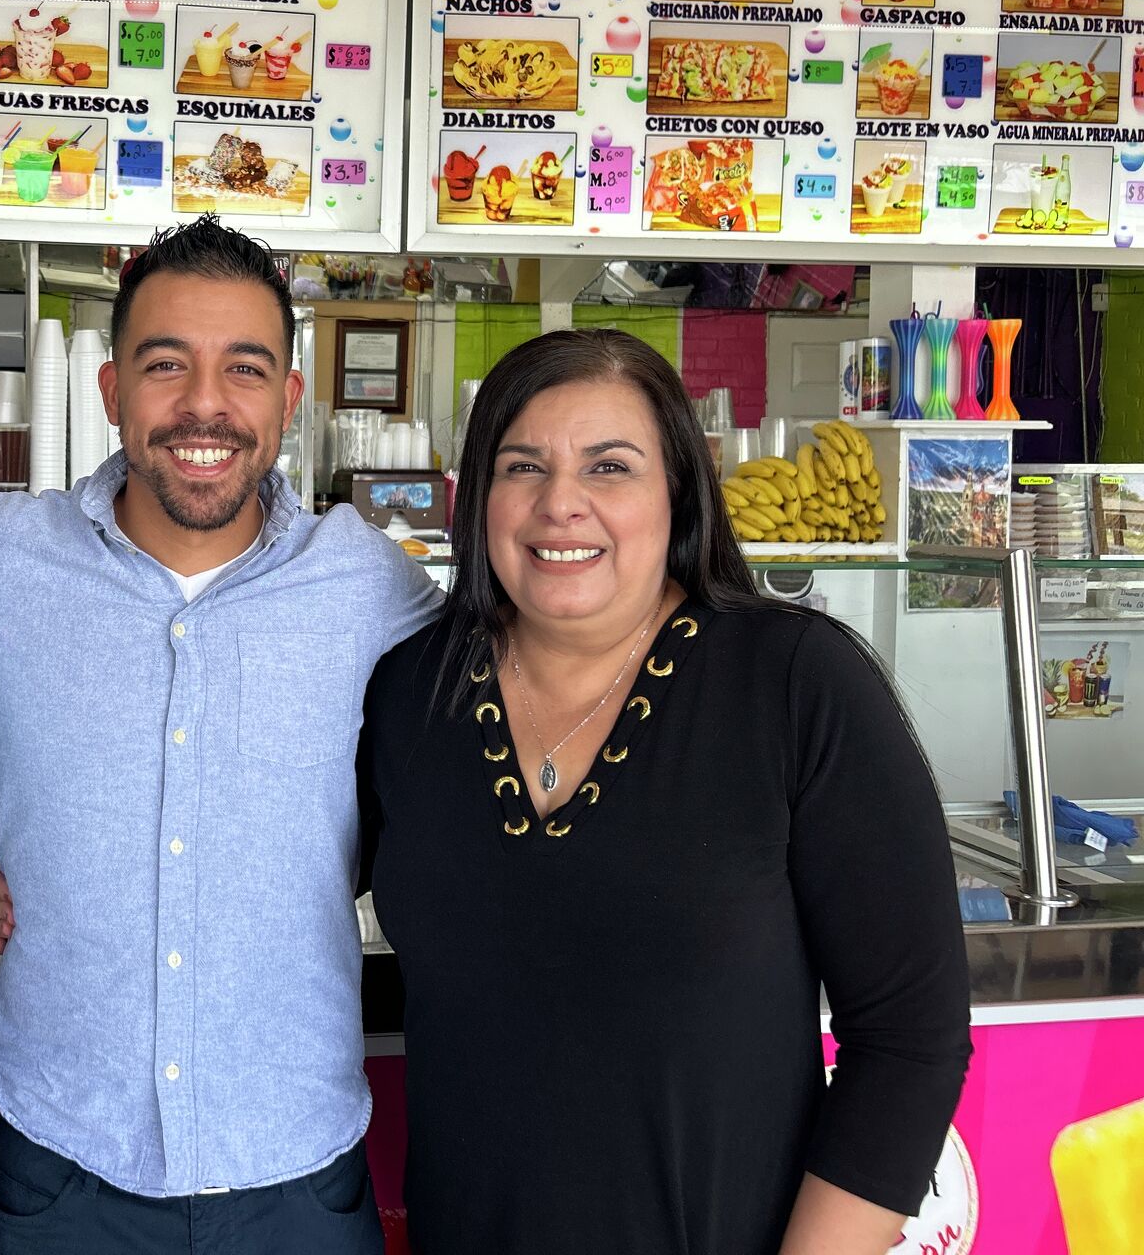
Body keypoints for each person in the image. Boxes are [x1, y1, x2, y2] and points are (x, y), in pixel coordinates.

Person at [0, 216, 443, 1253]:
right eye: (165, 364)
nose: (203, 405)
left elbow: (502, 697)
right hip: (56, 1170)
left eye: (244, 368)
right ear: (111, 391)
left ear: (288, 399)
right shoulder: (5, 554)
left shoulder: (363, 578)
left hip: (295, 1175)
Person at [359, 328, 971, 1255]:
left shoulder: (794, 684)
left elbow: (910, 1037)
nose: (561, 503)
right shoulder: (413, 693)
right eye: (523, 466)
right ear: (476, 495)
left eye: (609, 467)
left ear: (678, 491)